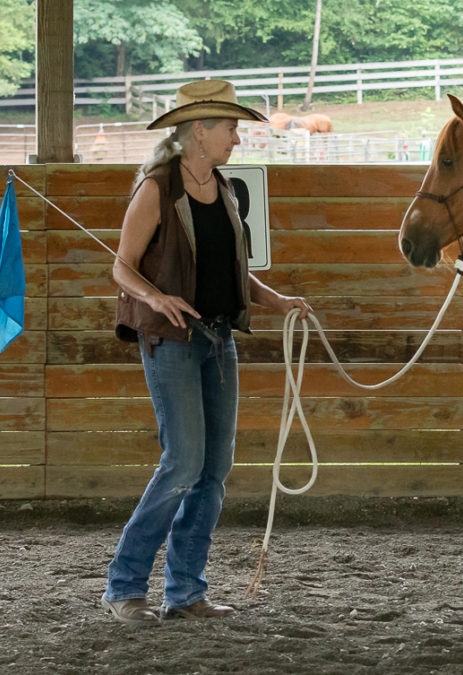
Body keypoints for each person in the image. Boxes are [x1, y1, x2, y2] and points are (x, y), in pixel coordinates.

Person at [101, 79, 312, 625]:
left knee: (214, 469)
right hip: (172, 339)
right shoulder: (156, 188)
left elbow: (235, 270)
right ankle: (124, 588)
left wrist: (276, 298)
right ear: (200, 130)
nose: (237, 139)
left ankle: (186, 593)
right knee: (183, 464)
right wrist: (156, 296)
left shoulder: (224, 188)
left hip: (219, 341)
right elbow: (121, 267)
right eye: (230, 128)